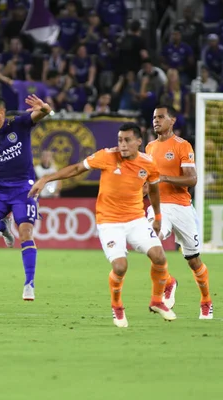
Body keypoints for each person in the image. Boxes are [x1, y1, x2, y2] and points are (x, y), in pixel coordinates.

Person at [29, 122, 177, 327]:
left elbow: (153, 190)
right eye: (119, 140)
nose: (122, 145)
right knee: (120, 266)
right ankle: (117, 306)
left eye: (127, 140)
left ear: (138, 142)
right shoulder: (106, 156)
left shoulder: (148, 163)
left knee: (159, 256)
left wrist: (158, 217)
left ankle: (157, 300)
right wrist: (46, 178)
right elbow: (77, 168)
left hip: (136, 219)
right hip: (109, 221)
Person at [0, 95, 52, 301]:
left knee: (25, 233)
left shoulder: (19, 123)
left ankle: (29, 284)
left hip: (24, 188)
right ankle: (1, 227)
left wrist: (43, 107)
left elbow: (43, 113)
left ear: (1, 113)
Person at [145, 105, 212, 320]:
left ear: (172, 120)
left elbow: (192, 179)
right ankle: (168, 281)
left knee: (193, 260)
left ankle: (206, 300)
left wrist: (165, 178)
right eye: (154, 117)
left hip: (181, 207)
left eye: (161, 117)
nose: (156, 120)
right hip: (159, 207)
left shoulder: (183, 146)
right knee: (149, 243)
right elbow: (147, 181)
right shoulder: (149, 147)